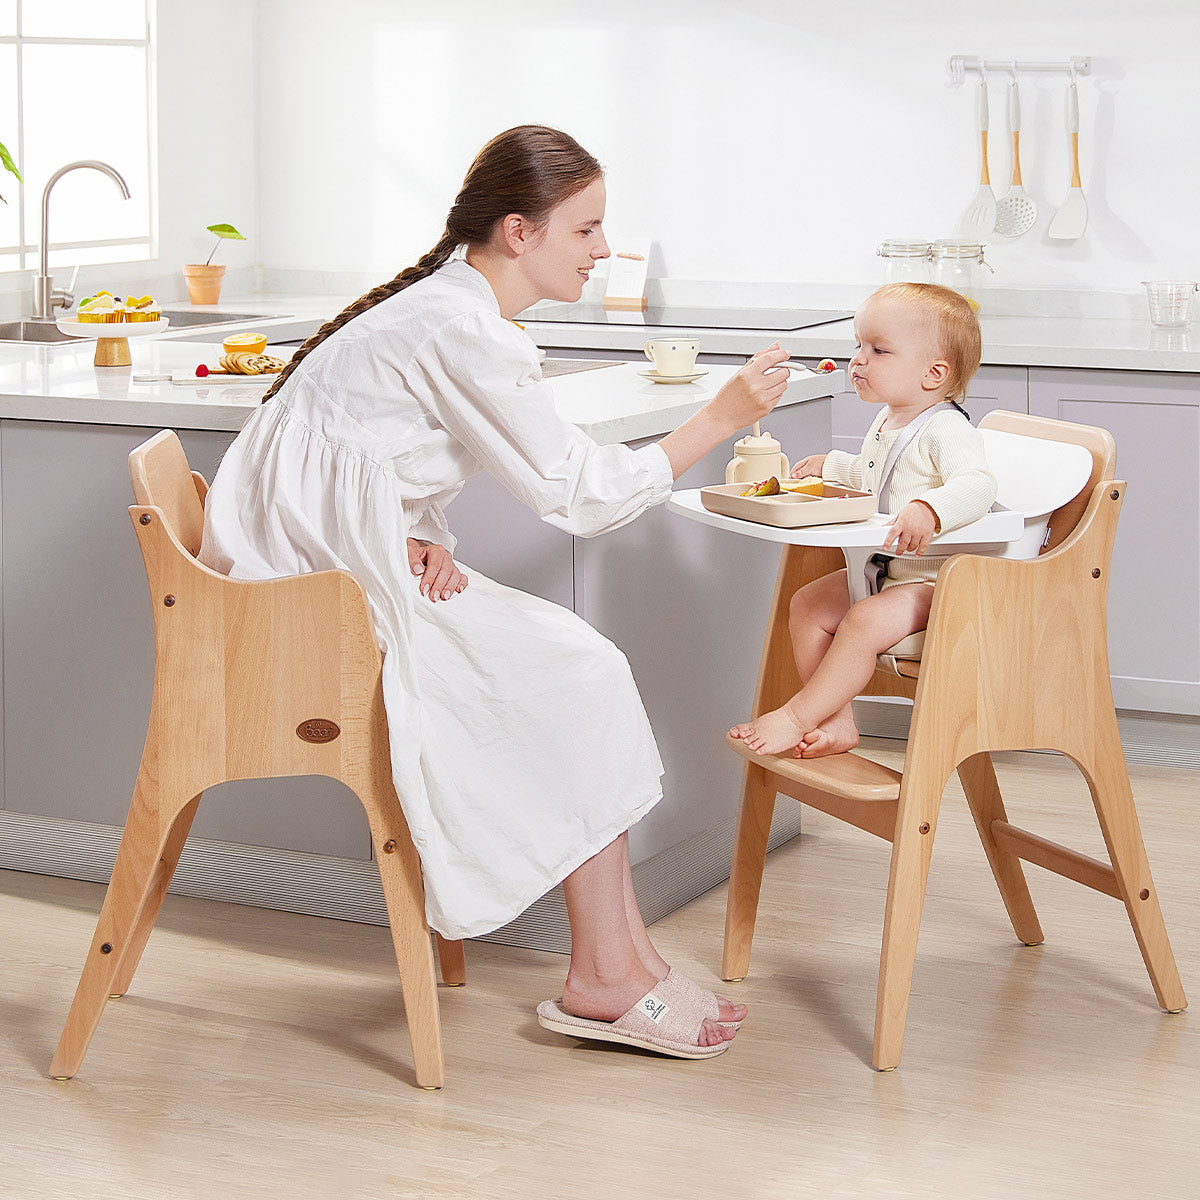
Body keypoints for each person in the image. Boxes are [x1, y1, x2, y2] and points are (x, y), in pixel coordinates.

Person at [199, 125, 792, 1059]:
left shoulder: (453, 311)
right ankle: (608, 971)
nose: (604, 250)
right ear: (521, 232)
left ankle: (620, 958)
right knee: (577, 671)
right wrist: (718, 418)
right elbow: (581, 495)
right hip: (303, 604)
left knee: (579, 666)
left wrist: (414, 533)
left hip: (324, 569)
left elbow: (356, 455)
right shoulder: (464, 327)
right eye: (586, 230)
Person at [729, 282, 996, 760]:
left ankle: (797, 716)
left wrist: (930, 510)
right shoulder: (889, 420)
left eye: (879, 350)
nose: (858, 361)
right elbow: (879, 477)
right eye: (859, 346)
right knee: (807, 606)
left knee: (863, 620)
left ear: (934, 374)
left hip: (937, 583)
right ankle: (837, 721)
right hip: (885, 572)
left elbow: (978, 486)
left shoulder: (947, 428)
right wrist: (832, 466)